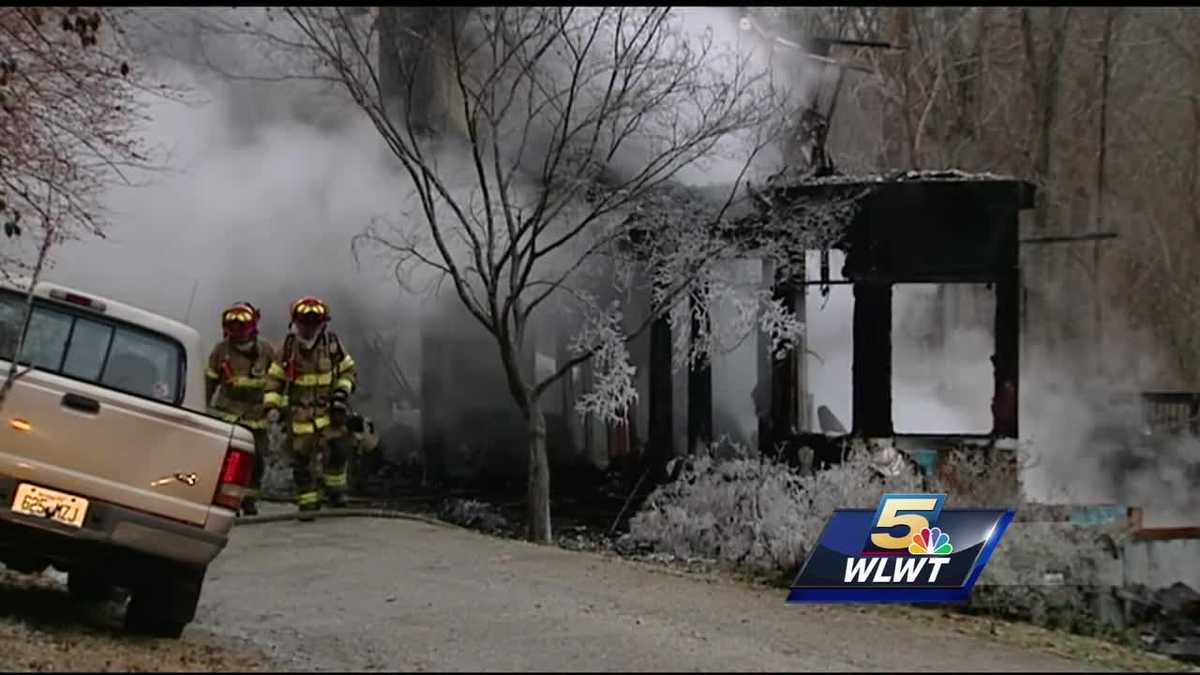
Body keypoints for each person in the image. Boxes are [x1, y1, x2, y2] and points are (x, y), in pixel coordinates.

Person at [263, 296, 358, 519]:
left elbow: (348, 371)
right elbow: (274, 380)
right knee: (302, 460)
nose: (308, 328)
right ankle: (308, 502)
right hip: (300, 416)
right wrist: (272, 406)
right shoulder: (287, 349)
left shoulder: (332, 345)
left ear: (323, 323)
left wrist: (341, 394)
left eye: (314, 323)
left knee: (340, 449)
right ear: (295, 323)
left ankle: (335, 492)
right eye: (304, 323)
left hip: (329, 412)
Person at [205, 302, 276, 516]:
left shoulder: (266, 350)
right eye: (232, 324)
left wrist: (276, 406)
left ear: (253, 324)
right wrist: (200, 406)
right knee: (230, 461)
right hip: (229, 414)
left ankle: (249, 499)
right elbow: (210, 381)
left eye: (242, 323)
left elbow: (277, 381)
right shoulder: (221, 350)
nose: (237, 329)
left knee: (257, 461)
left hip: (257, 415)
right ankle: (230, 500)